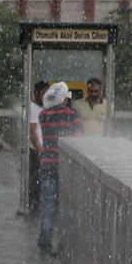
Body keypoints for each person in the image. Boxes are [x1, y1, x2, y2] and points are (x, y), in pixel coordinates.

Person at [36, 82, 83, 251]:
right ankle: (65, 241)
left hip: (48, 163)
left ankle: (45, 237)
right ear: (65, 97)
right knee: (68, 203)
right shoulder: (73, 114)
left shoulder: (43, 115)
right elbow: (79, 136)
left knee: (48, 202)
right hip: (66, 165)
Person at [28, 81, 47, 212]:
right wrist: (39, 147)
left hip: (43, 148)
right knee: (36, 177)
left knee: (40, 176)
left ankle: (38, 201)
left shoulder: (42, 108)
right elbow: (32, 130)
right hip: (36, 149)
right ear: (38, 94)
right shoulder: (33, 108)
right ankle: (34, 201)